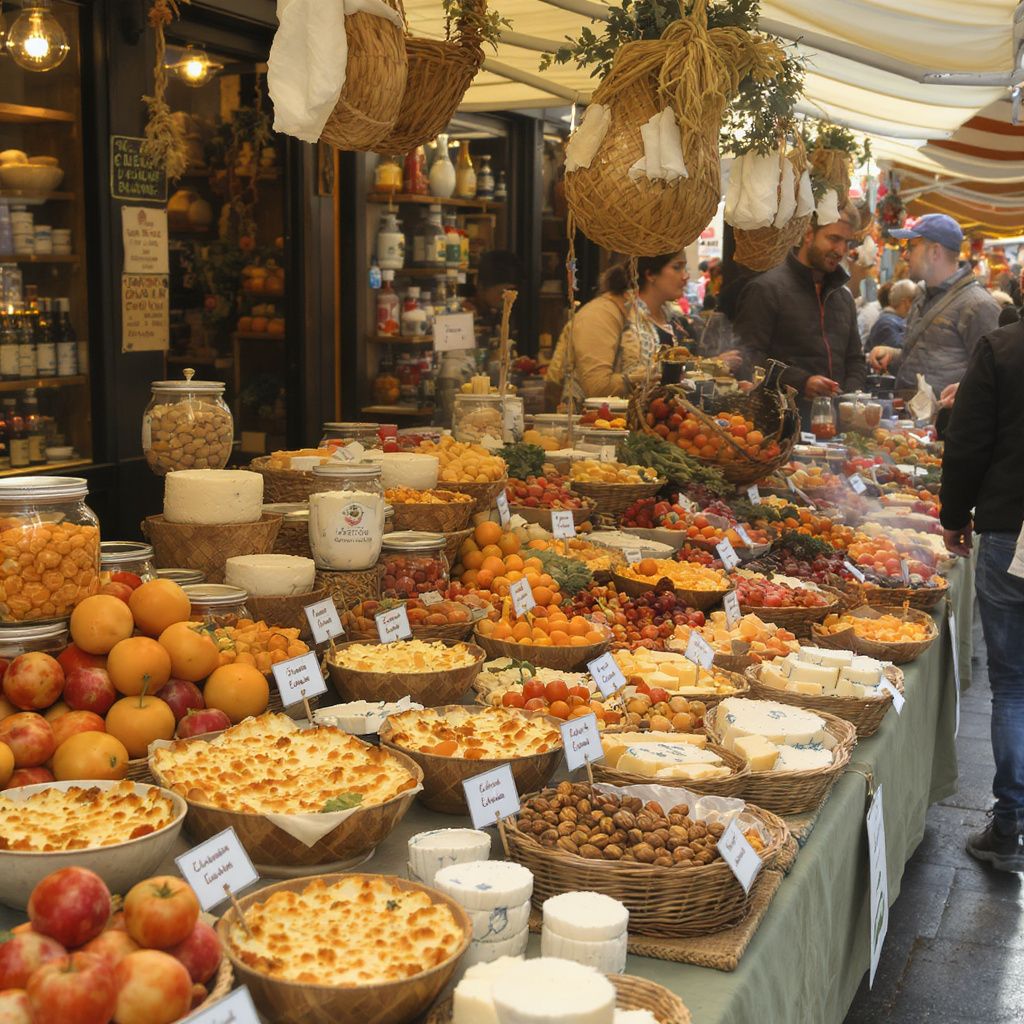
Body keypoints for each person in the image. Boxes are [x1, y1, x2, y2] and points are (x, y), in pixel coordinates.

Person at [939, 314, 1024, 871]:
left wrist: (953, 514)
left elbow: (967, 442)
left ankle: (1009, 826)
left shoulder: (1002, 348)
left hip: (1009, 528)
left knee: (1013, 686)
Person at [733, 205, 866, 418]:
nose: (841, 250)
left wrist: (848, 400)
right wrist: (801, 382)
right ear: (809, 234)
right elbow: (748, 359)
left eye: (847, 243)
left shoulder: (843, 298)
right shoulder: (766, 289)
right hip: (778, 423)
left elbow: (855, 360)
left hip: (834, 426)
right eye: (834, 238)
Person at [868, 214, 1000, 397]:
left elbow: (996, 376)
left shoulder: (978, 305)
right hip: (910, 412)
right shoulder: (922, 295)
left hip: (949, 415)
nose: (905, 255)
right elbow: (929, 360)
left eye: (912, 247)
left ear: (935, 252)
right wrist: (893, 355)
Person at [545, 253, 690, 406]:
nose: (685, 276)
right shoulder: (601, 313)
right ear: (650, 274)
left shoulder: (670, 317)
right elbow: (596, 387)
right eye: (677, 267)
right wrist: (640, 378)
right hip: (601, 419)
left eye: (684, 268)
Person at [865, 279, 918, 352]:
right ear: (906, 302)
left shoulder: (892, 321)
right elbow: (904, 352)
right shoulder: (886, 324)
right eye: (916, 301)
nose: (918, 305)